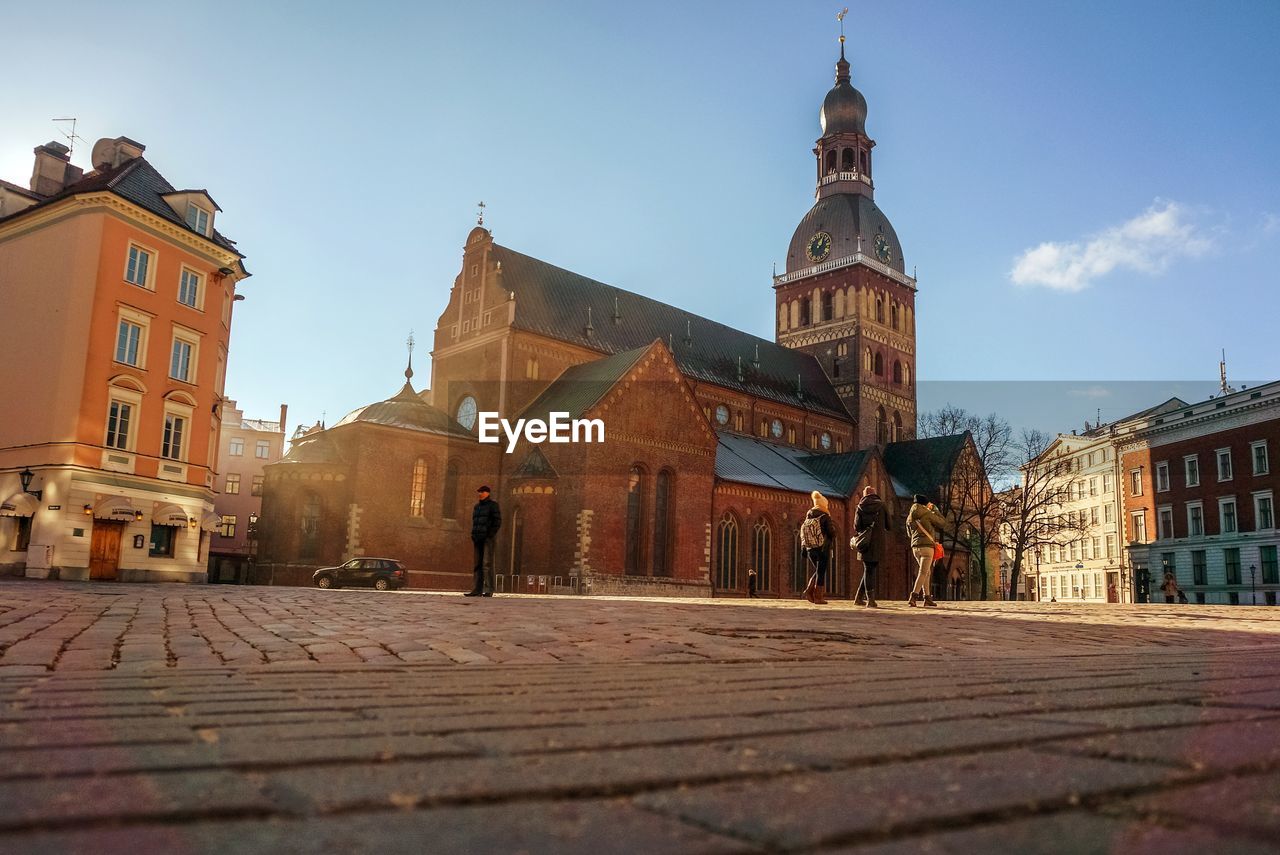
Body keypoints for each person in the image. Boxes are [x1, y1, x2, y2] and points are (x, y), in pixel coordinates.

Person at [852, 485, 890, 609]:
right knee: (870, 570)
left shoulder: (860, 507)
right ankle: (870, 600)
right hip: (878, 543)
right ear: (875, 494)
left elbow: (856, 527)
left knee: (868, 570)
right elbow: (889, 525)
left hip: (865, 542)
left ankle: (859, 597)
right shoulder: (882, 505)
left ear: (864, 495)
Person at [906, 493, 947, 608]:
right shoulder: (928, 513)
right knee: (923, 572)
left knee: (926, 572)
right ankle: (913, 597)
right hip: (927, 548)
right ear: (925, 504)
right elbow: (942, 523)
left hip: (915, 548)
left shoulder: (909, 517)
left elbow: (909, 534)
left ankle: (927, 597)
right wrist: (935, 509)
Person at [800, 491, 836, 605]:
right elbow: (831, 533)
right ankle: (818, 597)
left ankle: (809, 591)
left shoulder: (808, 516)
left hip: (810, 549)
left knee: (818, 570)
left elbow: (802, 535)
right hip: (822, 548)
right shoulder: (825, 516)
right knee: (820, 572)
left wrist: (804, 549)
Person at [466, 485, 501, 597]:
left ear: (487, 493)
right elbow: (475, 522)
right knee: (477, 565)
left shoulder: (493, 505)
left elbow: (497, 521)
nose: (480, 493)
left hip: (487, 539)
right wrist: (473, 535)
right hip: (477, 538)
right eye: (479, 492)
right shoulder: (477, 507)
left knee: (487, 564)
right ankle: (477, 589)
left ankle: (489, 589)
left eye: (482, 492)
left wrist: (490, 535)